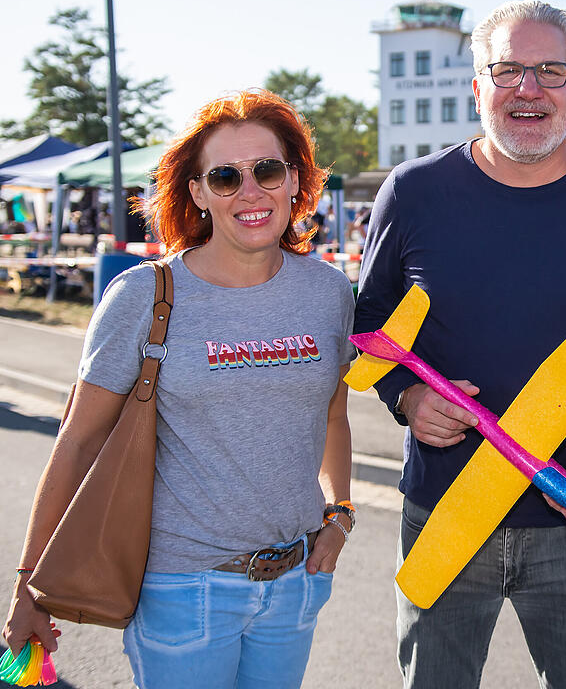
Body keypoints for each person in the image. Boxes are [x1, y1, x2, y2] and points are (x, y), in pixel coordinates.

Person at [353, 0, 566, 689]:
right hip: (444, 512)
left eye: (550, 70)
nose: (527, 89)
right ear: (477, 86)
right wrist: (406, 394)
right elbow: (370, 328)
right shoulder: (412, 192)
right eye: (506, 70)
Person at [3, 89, 357, 689]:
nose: (251, 192)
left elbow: (331, 417)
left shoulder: (328, 293)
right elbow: (79, 441)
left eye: (267, 170)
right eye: (225, 177)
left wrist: (341, 513)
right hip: (183, 588)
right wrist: (28, 581)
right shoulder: (144, 296)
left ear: (295, 181)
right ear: (197, 192)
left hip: (294, 586)